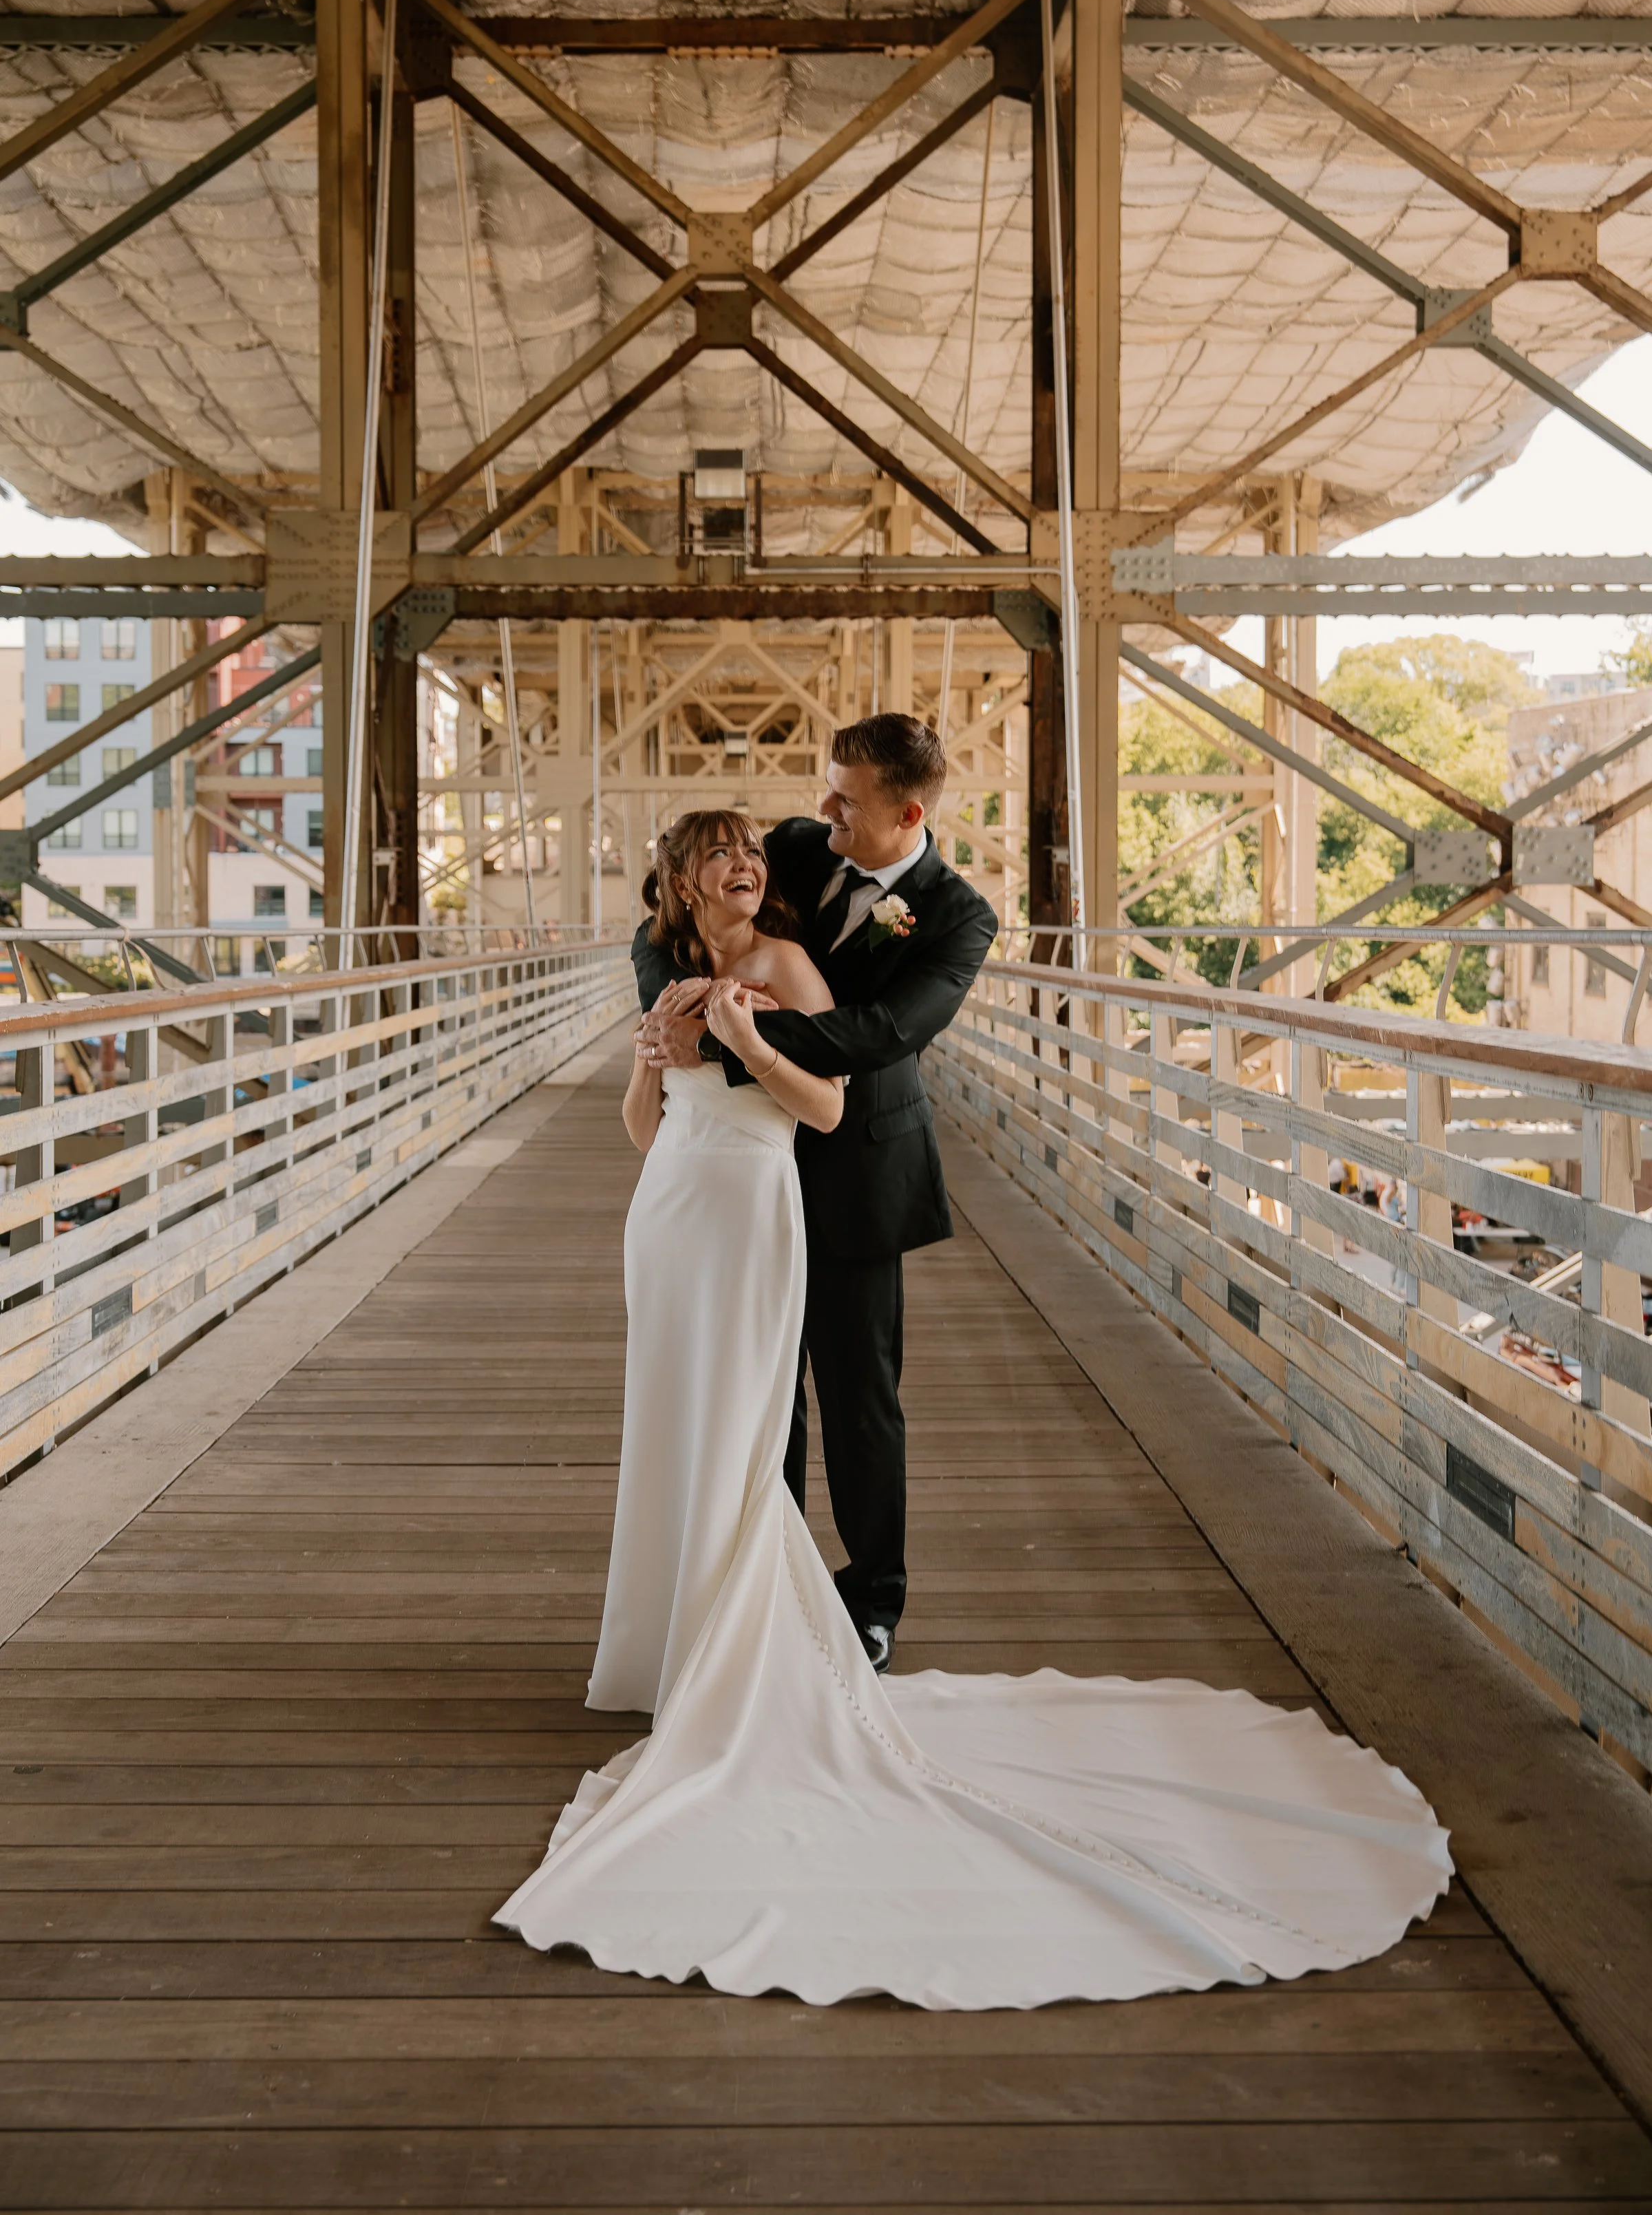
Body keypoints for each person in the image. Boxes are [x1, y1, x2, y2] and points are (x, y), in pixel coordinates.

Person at [495, 800, 1451, 2011]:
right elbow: (648, 1106)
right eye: (719, 858)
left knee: (828, 1407)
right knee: (696, 1430)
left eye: (760, 849)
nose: (765, 855)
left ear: (900, 806)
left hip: (772, 1199)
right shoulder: (724, 921)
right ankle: (687, 1634)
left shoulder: (866, 936)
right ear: (684, 883)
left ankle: (828, 1616)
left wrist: (741, 1041)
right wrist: (653, 1054)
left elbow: (851, 1071)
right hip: (671, 1214)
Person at [631, 714, 999, 1673]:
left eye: (846, 798)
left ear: (907, 812)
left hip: (856, 1172)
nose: (820, 809)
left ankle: (872, 1602)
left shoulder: (959, 918)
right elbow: (666, 927)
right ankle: (769, 1586)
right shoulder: (793, 848)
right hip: (736, 1180)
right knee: (761, 1395)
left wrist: (719, 1046)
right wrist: (667, 1013)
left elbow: (882, 1034)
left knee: (858, 1398)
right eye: (826, 786)